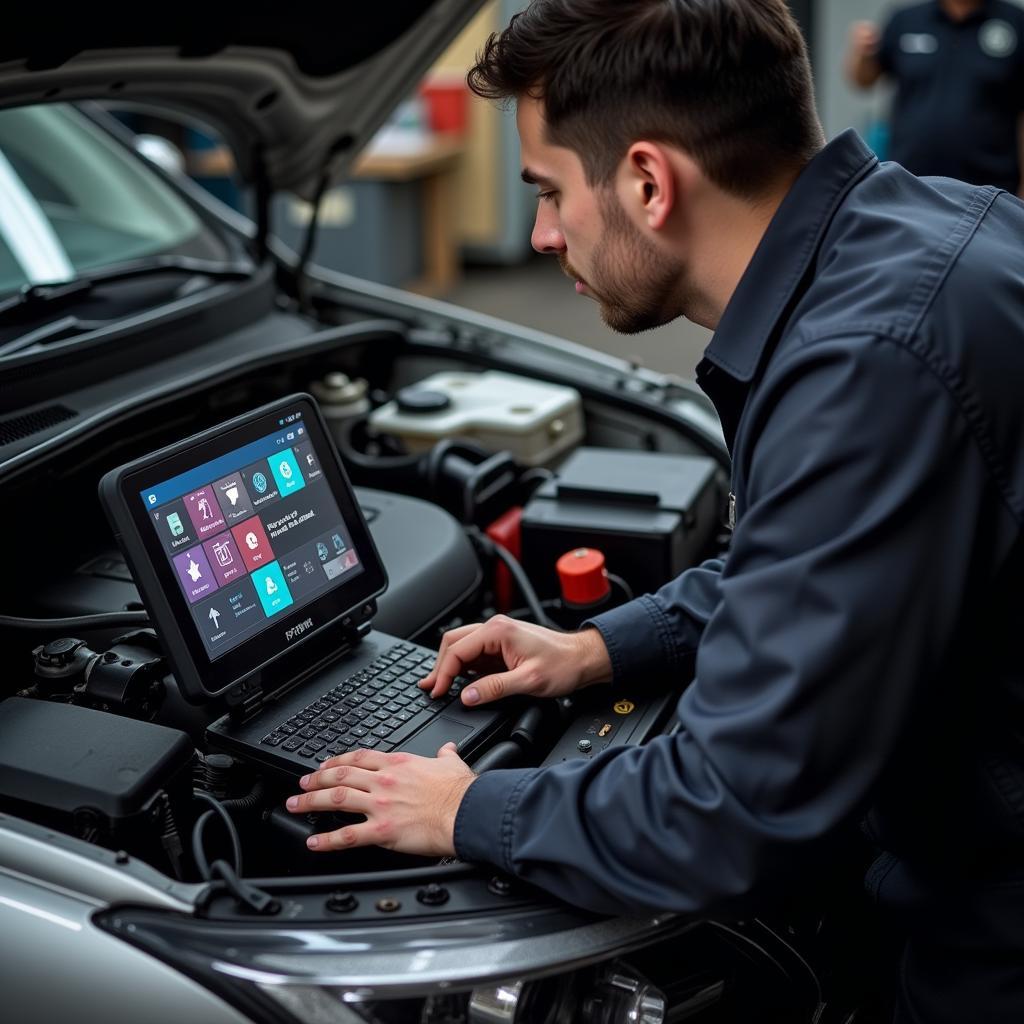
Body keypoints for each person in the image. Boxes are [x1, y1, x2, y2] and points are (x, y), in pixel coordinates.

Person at [286, 2, 1024, 1020]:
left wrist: (466, 807)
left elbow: (730, 814)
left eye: (547, 192)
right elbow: (823, 560)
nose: (543, 233)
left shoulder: (869, 360)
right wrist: (598, 648)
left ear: (645, 180)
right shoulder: (918, 234)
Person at [846, 0, 1024, 194]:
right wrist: (862, 55)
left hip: (990, 186)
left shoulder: (1016, 22)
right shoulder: (906, 20)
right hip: (911, 180)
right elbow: (864, 80)